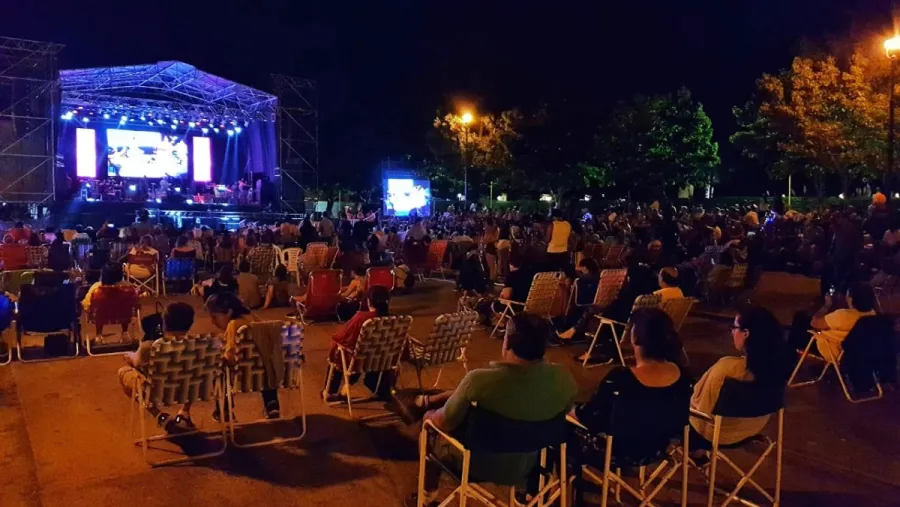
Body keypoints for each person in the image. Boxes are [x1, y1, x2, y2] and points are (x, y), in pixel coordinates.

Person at [403, 313, 578, 507]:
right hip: (528, 464)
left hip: (475, 463)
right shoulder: (564, 379)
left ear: (507, 343)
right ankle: (528, 492)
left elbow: (445, 422)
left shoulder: (479, 381)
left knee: (428, 428)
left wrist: (429, 416)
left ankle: (427, 496)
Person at [690, 306, 790, 446]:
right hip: (751, 430)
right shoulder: (778, 369)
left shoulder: (728, 368)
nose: (732, 332)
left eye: (734, 327)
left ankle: (695, 453)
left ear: (746, 333)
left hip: (714, 434)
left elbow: (701, 409)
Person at [117, 302, 197, 429]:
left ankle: (160, 415)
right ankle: (185, 412)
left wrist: (129, 356)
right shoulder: (200, 345)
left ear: (164, 324)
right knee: (191, 376)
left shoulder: (151, 347)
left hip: (158, 393)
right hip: (192, 391)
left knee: (124, 371)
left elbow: (136, 362)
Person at [206, 292, 280, 419]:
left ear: (228, 312)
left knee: (219, 369)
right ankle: (271, 403)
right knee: (263, 360)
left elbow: (230, 357)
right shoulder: (254, 318)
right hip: (267, 374)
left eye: (215, 317)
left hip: (243, 375)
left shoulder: (233, 325)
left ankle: (224, 409)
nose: (213, 322)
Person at [323, 286, 394, 402]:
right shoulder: (394, 319)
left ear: (368, 301)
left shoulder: (361, 318)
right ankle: (382, 389)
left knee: (339, 351)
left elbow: (342, 338)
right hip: (383, 361)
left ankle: (330, 392)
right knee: (360, 352)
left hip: (360, 361)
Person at [809, 283, 876, 363]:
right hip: (858, 354)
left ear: (851, 299)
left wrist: (826, 306)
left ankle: (792, 365)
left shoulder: (844, 315)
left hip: (835, 352)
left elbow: (814, 323)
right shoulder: (872, 314)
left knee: (800, 321)